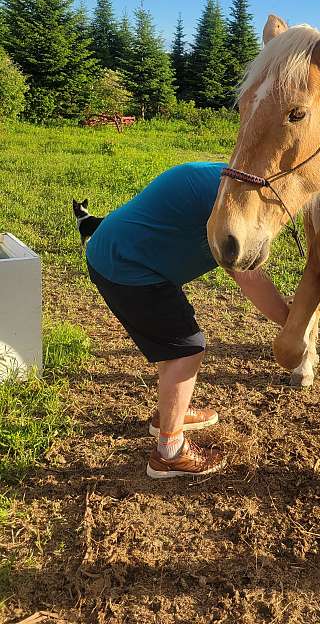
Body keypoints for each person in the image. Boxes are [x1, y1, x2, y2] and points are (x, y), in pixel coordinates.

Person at [85, 161, 289, 479]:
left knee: (174, 347)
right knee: (186, 349)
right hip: (128, 270)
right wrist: (292, 323)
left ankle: (168, 417)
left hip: (116, 255)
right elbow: (248, 276)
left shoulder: (223, 177)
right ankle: (169, 452)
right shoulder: (229, 203)